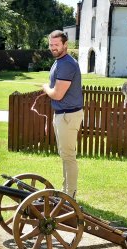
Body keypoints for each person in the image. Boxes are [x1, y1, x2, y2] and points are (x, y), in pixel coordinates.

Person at [42, 30, 83, 199]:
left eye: (56, 45)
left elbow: (57, 94)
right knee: (65, 155)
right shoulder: (60, 61)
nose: (53, 48)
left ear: (65, 45)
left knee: (68, 156)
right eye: (51, 45)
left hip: (68, 116)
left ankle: (70, 196)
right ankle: (66, 192)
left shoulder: (66, 64)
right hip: (63, 114)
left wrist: (46, 88)